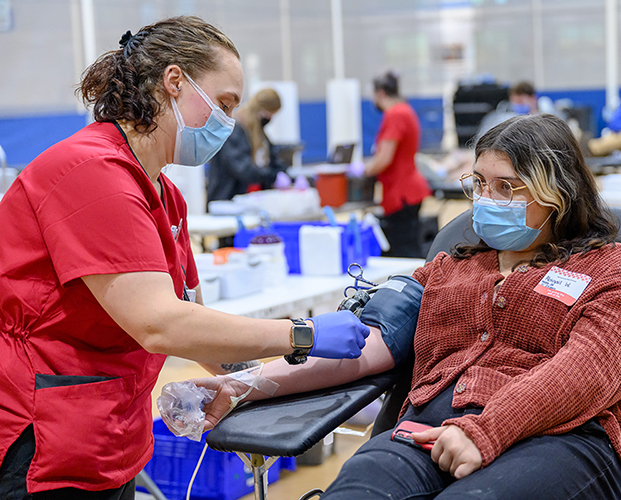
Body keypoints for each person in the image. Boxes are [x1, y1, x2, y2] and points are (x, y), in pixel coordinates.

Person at [194, 114, 621, 499]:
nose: (486, 199)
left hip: (562, 439)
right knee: (357, 491)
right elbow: (365, 348)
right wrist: (241, 386)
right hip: (426, 435)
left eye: (508, 187)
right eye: (479, 183)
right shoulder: (445, 271)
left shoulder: (615, 274)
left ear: (558, 193)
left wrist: (486, 432)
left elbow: (582, 375)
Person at [0, 17, 370, 500]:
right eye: (223, 104)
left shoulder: (164, 194)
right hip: (44, 430)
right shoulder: (90, 172)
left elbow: (191, 320)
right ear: (175, 82)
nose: (228, 122)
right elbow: (160, 324)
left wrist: (252, 381)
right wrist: (304, 334)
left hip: (109, 426)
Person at [365, 71, 432, 258]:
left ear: (379, 94)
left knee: (404, 252)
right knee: (407, 246)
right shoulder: (405, 110)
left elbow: (384, 158)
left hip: (401, 192)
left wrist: (364, 169)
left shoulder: (395, 114)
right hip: (408, 189)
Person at [207, 88, 287, 203]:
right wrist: (272, 176)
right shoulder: (234, 130)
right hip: (226, 198)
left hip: (244, 199)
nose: (270, 119)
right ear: (263, 111)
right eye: (270, 114)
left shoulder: (258, 131)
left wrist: (282, 171)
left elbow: (272, 156)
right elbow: (242, 168)